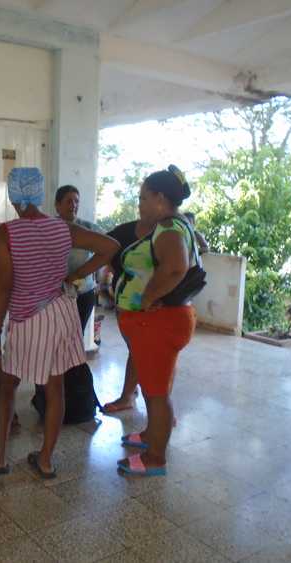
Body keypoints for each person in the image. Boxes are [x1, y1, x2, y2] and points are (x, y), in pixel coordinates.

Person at [0, 167, 119, 478]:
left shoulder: (7, 232)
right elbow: (110, 247)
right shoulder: (63, 228)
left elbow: (5, 287)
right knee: (55, 389)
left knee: (8, 386)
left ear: (14, 196)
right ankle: (45, 460)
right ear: (39, 195)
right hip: (61, 311)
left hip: (29, 318)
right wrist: (76, 275)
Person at [115, 165, 198, 477]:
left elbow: (176, 267)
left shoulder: (170, 230)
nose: (140, 204)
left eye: (143, 198)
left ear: (160, 198)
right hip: (164, 320)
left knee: (156, 392)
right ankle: (151, 435)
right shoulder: (176, 224)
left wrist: (147, 297)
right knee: (153, 387)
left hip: (160, 321)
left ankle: (156, 459)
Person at [100, 216, 156, 414]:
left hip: (152, 306)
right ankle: (133, 395)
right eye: (141, 199)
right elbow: (104, 250)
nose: (143, 204)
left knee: (141, 352)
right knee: (136, 350)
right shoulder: (125, 230)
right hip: (126, 303)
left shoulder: (168, 232)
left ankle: (148, 404)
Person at [55, 185, 103, 330]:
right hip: (55, 296)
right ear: (57, 205)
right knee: (56, 336)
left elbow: (111, 247)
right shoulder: (48, 228)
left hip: (84, 295)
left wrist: (79, 274)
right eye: (69, 201)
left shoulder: (89, 228)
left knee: (76, 337)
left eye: (76, 201)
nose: (73, 205)